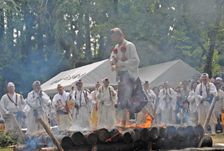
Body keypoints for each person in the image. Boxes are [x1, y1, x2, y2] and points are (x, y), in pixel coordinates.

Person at [109, 27, 148, 127]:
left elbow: (136, 61)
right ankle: (123, 123)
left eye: (115, 37)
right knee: (123, 101)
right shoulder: (116, 48)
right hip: (122, 77)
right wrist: (113, 63)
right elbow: (112, 58)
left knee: (138, 100)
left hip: (131, 76)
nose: (114, 40)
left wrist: (121, 64)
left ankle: (144, 121)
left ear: (121, 35)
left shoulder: (130, 45)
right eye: (113, 38)